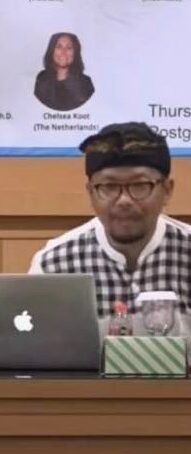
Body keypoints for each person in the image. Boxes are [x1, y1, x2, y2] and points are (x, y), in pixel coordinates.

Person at [29, 123, 190, 336]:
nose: (124, 201)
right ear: (90, 193)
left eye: (140, 185)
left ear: (167, 190)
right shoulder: (54, 265)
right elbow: (36, 346)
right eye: (109, 187)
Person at [34, 32, 95, 112]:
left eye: (69, 48)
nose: (63, 52)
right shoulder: (41, 78)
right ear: (51, 51)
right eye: (59, 47)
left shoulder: (86, 82)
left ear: (75, 53)